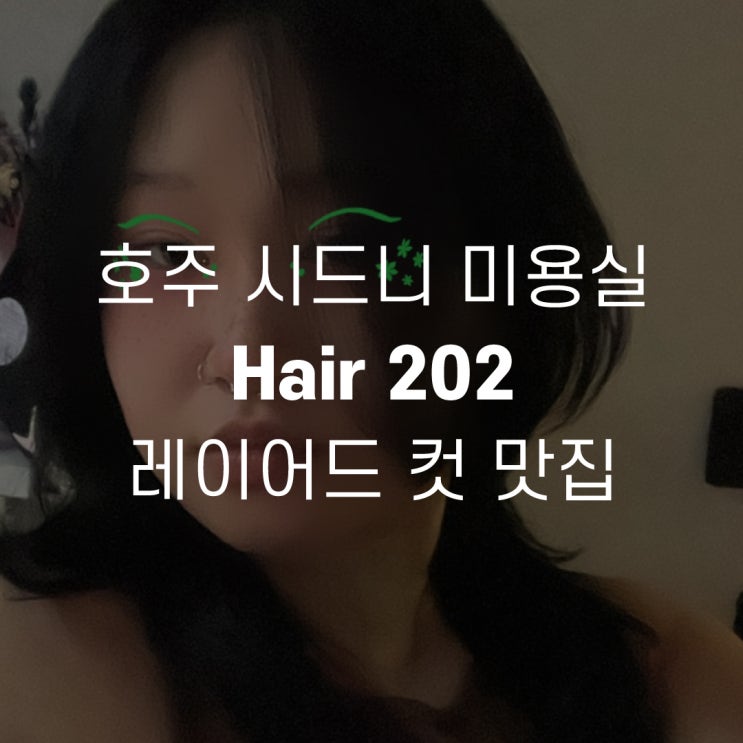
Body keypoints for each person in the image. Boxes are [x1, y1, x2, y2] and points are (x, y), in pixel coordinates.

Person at [0, 0, 741, 741]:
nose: (247, 353)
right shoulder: (50, 668)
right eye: (165, 252)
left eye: (348, 248)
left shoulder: (668, 680)